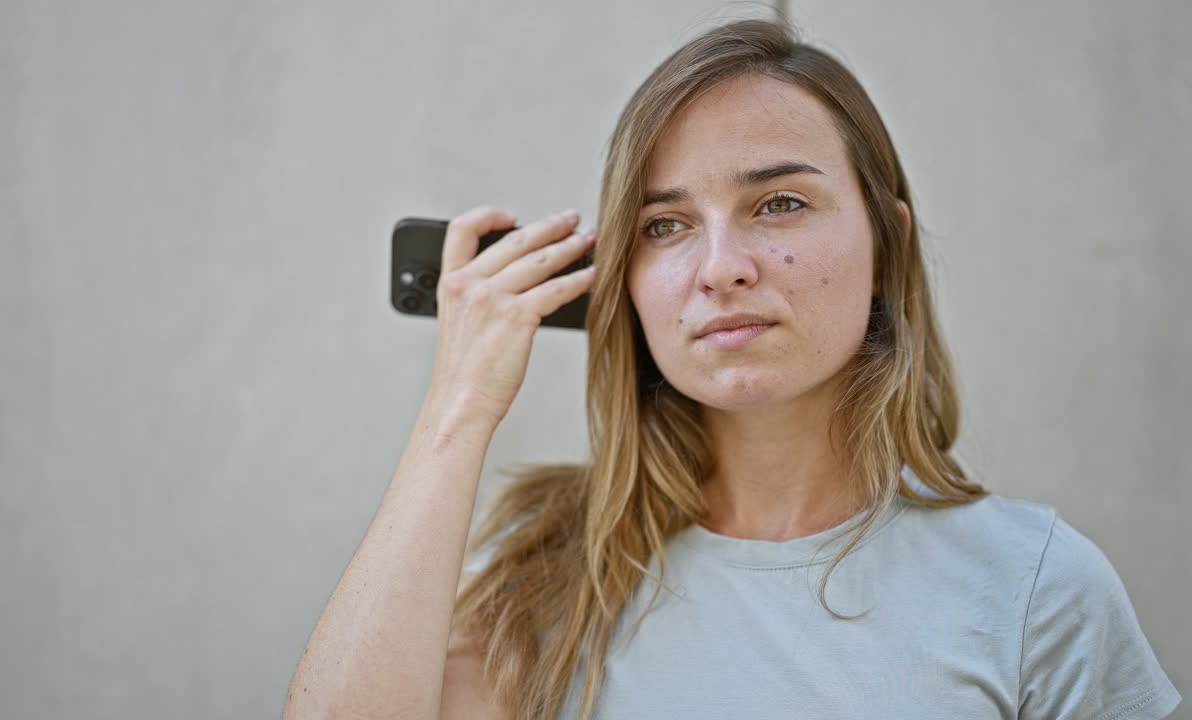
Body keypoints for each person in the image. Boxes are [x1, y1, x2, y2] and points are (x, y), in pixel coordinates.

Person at [282, 16, 1182, 720]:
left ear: (887, 248)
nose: (719, 267)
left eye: (779, 203)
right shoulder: (549, 576)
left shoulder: (1033, 589)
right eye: (665, 226)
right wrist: (459, 409)